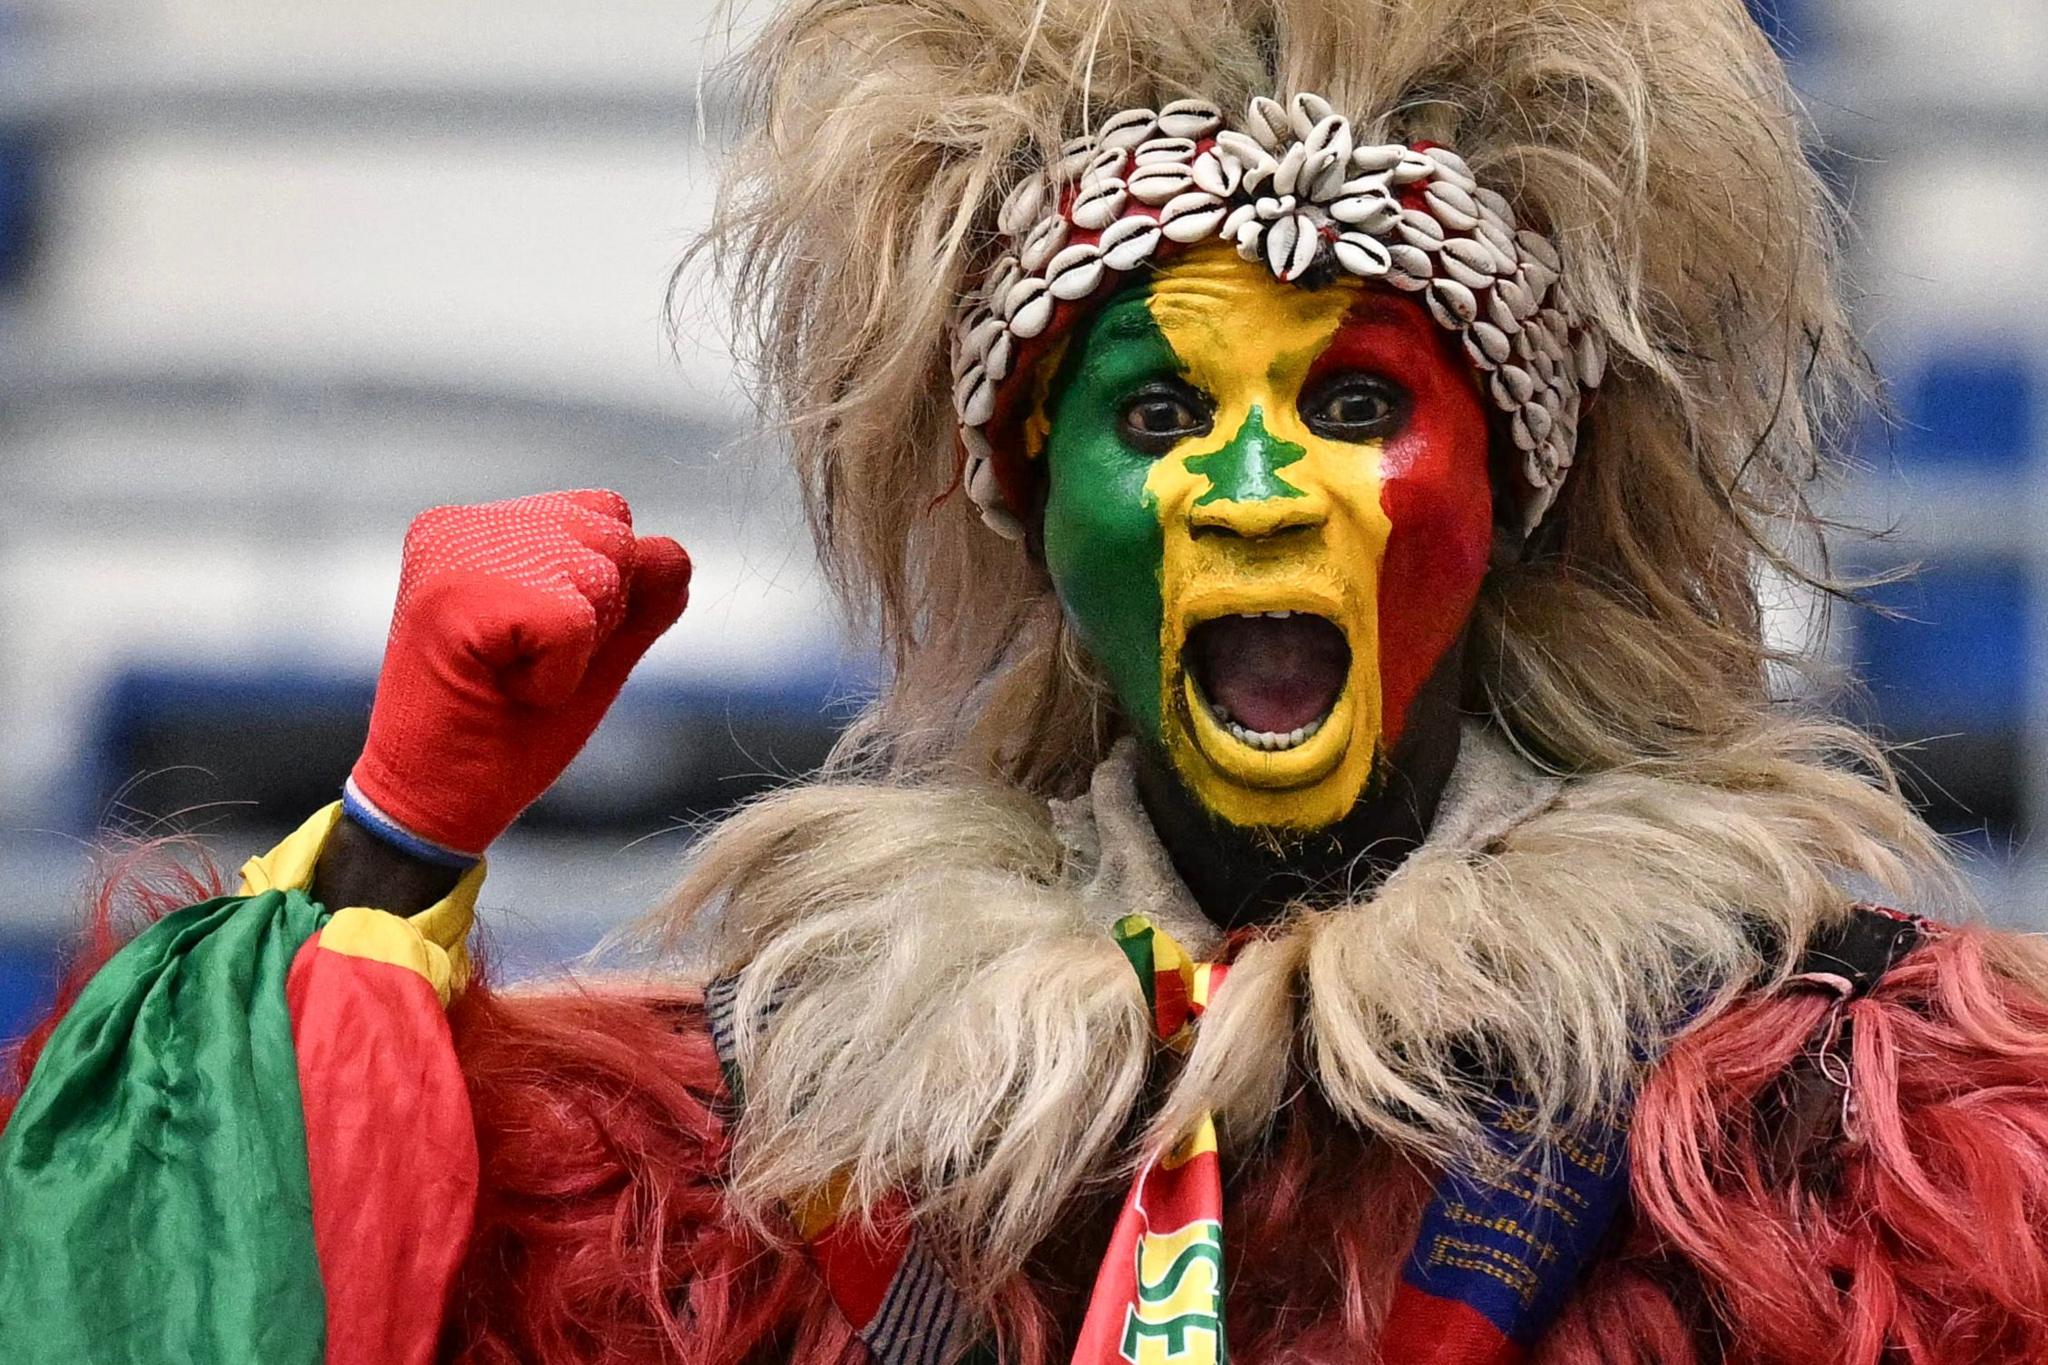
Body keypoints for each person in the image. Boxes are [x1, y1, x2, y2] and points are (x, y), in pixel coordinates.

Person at [7, 0, 2048, 1361]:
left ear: (1509, 491)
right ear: (1019, 493)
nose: (1253, 493)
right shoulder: (783, 1134)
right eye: (1159, 414)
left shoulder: (1829, 1120)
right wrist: (392, 850)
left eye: (1348, 402)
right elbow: (173, 1300)